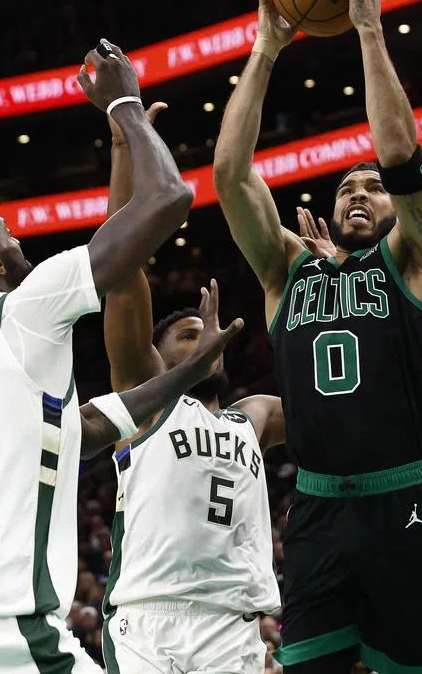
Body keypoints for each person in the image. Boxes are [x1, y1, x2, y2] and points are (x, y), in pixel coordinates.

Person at [0, 40, 200, 672]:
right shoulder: (22, 309)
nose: (18, 239)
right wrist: (126, 107)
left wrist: (186, 372)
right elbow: (168, 199)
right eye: (8, 235)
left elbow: (83, 431)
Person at [212, 0, 422, 674]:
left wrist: (369, 30)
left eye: (371, 188)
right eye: (346, 186)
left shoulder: (420, 257)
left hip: (402, 498)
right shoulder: (287, 270)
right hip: (317, 507)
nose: (357, 190)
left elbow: (401, 156)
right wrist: (266, 45)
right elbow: (229, 174)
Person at [95, 99, 285, 673]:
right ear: (158, 356)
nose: (205, 339)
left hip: (233, 625)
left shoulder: (254, 416)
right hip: (149, 622)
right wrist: (124, 150)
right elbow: (120, 273)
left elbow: (343, 399)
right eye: (186, 334)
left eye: (209, 333)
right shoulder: (146, 400)